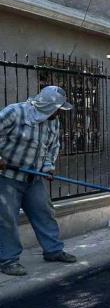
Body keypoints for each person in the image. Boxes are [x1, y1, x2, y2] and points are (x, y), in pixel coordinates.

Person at [0, 86, 77, 276]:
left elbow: (53, 146)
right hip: (7, 177)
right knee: (7, 219)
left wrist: (48, 167)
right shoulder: (15, 112)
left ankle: (53, 251)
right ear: (47, 105)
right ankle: (8, 260)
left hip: (34, 177)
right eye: (57, 108)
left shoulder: (53, 121)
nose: (59, 113)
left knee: (44, 212)